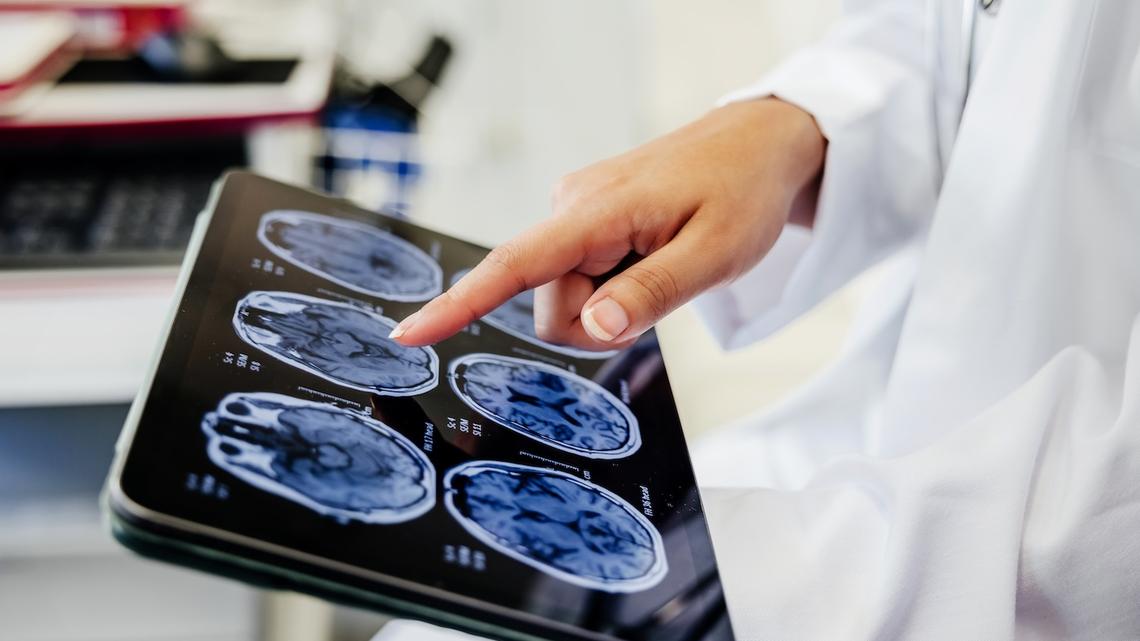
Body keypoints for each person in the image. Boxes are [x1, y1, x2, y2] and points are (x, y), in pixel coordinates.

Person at [391, 0, 1140, 638]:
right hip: (902, 415)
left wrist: (672, 570)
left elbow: (1100, 520)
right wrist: (796, 127)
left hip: (1037, 536)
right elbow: (988, 39)